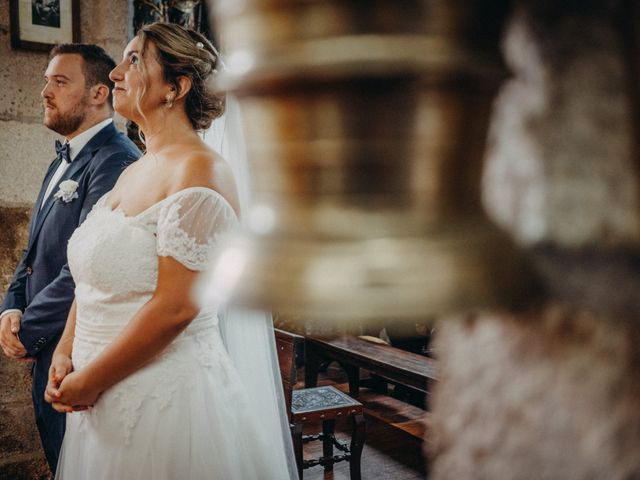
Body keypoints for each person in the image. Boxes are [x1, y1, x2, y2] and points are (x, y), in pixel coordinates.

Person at [45, 22, 297, 479]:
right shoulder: (134, 170)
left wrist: (90, 379)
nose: (117, 73)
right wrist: (66, 350)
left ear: (175, 87)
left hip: (164, 406)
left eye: (135, 60)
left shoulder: (201, 171)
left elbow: (176, 308)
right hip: (99, 394)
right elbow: (90, 277)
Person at [0, 44, 140, 473]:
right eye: (47, 80)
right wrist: (11, 307)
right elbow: (32, 251)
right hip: (47, 342)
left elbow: (86, 265)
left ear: (100, 93)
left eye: (60, 82)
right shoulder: (59, 161)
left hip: (79, 350)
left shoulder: (117, 161)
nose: (45, 91)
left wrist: (30, 331)